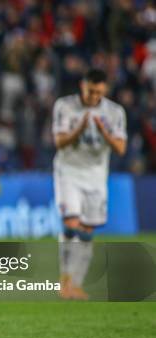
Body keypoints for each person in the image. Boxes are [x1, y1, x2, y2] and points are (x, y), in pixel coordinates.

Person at [53, 68, 127, 299]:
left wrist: (104, 132)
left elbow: (121, 148)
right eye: (90, 92)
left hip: (96, 176)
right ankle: (64, 280)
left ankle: (76, 283)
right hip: (69, 172)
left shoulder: (115, 112)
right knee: (71, 223)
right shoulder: (64, 106)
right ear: (82, 86)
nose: (94, 97)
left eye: (98, 93)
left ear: (104, 91)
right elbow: (59, 142)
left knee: (86, 231)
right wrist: (79, 129)